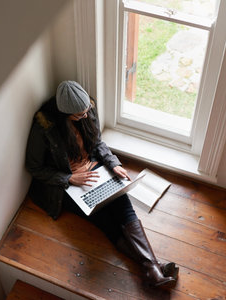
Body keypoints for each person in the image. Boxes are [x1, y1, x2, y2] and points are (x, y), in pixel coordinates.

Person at [25, 80, 179, 288]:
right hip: (68, 185)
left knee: (123, 205)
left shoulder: (87, 110)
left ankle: (152, 268)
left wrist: (113, 164)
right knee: (105, 219)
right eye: (79, 115)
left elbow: (97, 143)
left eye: (87, 110)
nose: (86, 116)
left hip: (96, 170)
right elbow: (34, 168)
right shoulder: (44, 128)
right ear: (65, 113)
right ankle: (154, 268)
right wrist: (69, 178)